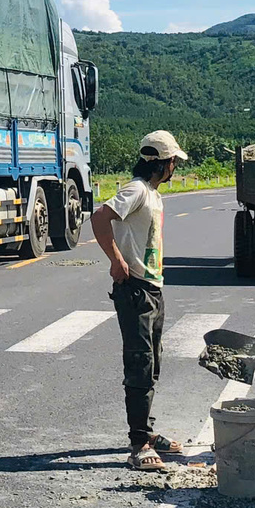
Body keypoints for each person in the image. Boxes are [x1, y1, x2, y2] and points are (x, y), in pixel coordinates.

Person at [91, 130, 189, 470]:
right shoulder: (135, 190)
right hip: (135, 288)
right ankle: (138, 445)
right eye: (173, 162)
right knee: (140, 365)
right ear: (164, 164)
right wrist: (116, 260)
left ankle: (147, 431)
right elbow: (100, 217)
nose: (174, 168)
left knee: (152, 362)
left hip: (152, 286)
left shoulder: (152, 193)